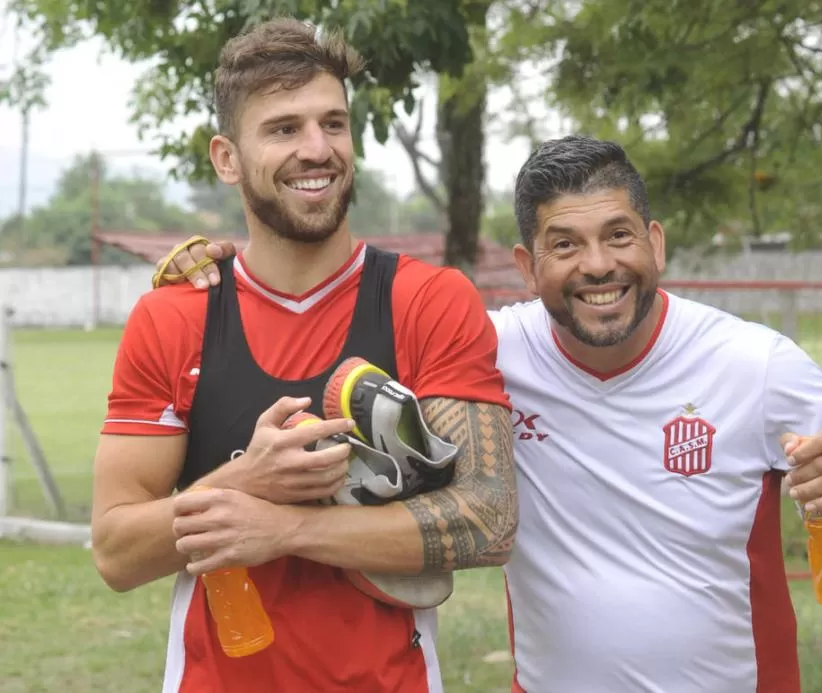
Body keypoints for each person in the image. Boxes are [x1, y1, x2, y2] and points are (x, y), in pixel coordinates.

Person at [154, 135, 822, 692]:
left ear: (655, 244)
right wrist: (235, 270)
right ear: (527, 266)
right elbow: (321, 358)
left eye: (618, 236)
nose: (598, 265)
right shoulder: (490, 352)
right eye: (565, 245)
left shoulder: (753, 362)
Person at [91, 17, 517, 693]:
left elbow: (490, 520)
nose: (317, 149)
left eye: (333, 124)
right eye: (284, 128)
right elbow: (115, 552)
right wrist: (243, 482)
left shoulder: (428, 299)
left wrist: (285, 526)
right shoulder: (174, 316)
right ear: (226, 157)